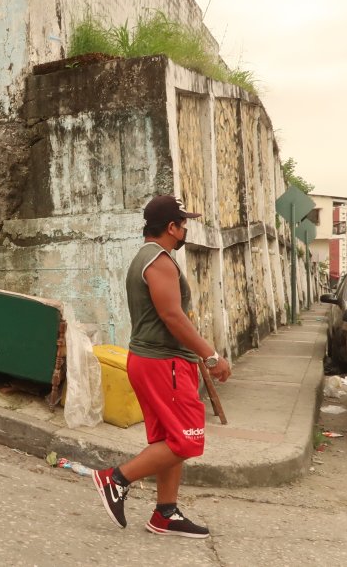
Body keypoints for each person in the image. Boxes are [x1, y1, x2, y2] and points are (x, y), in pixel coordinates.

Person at [91, 194, 232, 539]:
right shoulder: (159, 261)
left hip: (157, 361)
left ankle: (165, 513)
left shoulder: (150, 258)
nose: (185, 230)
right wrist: (211, 356)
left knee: (169, 440)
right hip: (162, 363)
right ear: (171, 227)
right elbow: (172, 316)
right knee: (187, 441)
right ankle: (116, 479)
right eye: (184, 224)